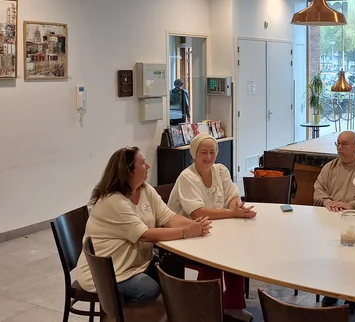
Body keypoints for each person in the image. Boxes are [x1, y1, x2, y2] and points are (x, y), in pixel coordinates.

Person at [75, 147, 211, 303]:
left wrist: (197, 225)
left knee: (175, 270)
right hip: (109, 272)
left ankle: (179, 312)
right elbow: (144, 235)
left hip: (136, 264)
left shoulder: (146, 190)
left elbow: (169, 217)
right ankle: (125, 316)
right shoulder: (113, 201)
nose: (148, 166)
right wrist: (187, 231)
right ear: (129, 172)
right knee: (149, 289)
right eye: (143, 163)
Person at [167, 134, 255, 321]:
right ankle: (207, 308)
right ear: (194, 154)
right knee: (213, 259)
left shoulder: (221, 170)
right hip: (185, 236)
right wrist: (233, 214)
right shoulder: (187, 177)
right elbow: (198, 213)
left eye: (212, 152)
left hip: (212, 230)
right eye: (203, 152)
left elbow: (232, 195)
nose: (208, 157)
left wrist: (236, 206)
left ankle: (233, 305)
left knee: (236, 253)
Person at [313, 130, 355, 310]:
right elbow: (318, 190)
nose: (340, 148)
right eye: (338, 144)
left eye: (344, 144)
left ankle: (353, 294)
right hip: (333, 219)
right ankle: (332, 290)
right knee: (331, 255)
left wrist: (350, 205)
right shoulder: (330, 168)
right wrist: (328, 202)